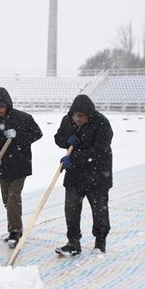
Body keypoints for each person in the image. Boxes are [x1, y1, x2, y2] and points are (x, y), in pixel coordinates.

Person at [0, 87, 43, 248]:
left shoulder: (23, 118)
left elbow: (37, 133)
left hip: (20, 163)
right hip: (2, 166)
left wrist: (19, 136)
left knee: (13, 197)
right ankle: (17, 226)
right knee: (7, 200)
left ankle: (14, 231)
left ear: (7, 104)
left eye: (1, 106)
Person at [54, 94, 113, 255]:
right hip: (75, 175)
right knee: (71, 209)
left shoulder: (102, 123)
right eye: (75, 115)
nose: (77, 119)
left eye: (82, 116)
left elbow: (99, 151)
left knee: (99, 210)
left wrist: (73, 158)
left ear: (89, 114)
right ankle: (73, 242)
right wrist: (67, 141)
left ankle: (100, 242)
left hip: (98, 174)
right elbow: (58, 138)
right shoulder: (67, 120)